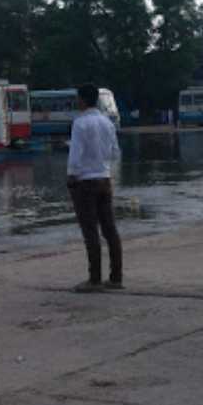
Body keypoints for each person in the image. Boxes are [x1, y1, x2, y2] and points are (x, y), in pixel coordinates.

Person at [67, 83, 123, 293]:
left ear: (83, 99)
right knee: (110, 230)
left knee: (90, 231)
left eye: (77, 98)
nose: (76, 101)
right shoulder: (107, 122)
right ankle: (116, 277)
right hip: (104, 179)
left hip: (85, 182)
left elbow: (75, 155)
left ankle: (95, 279)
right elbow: (115, 153)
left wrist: (71, 176)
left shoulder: (80, 123)